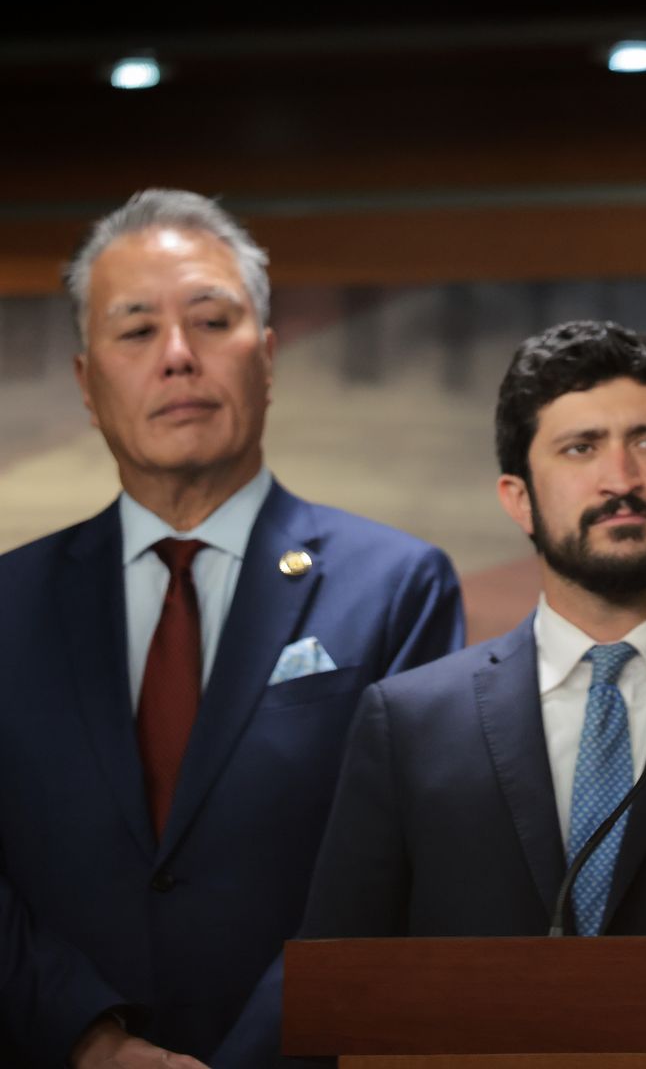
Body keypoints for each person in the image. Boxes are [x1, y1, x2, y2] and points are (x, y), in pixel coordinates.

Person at [0, 189, 464, 1067]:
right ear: (87, 384)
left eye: (212, 322)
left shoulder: (398, 588)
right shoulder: (8, 606)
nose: (178, 356)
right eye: (137, 330)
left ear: (269, 359)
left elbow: (397, 867)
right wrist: (90, 1042)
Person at [301, 321, 646, 945]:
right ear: (518, 498)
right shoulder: (410, 724)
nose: (621, 479)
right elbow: (343, 969)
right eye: (580, 448)